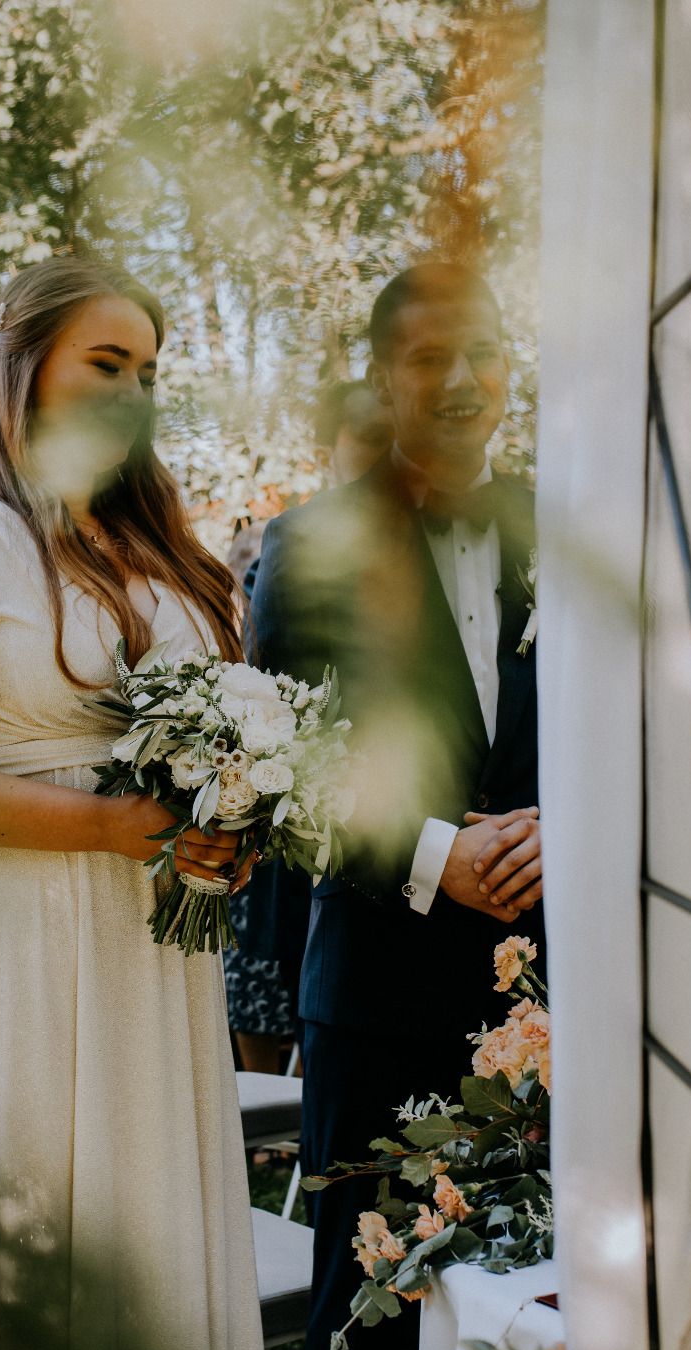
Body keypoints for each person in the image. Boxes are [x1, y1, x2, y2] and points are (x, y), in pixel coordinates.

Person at [0, 257, 264, 1350]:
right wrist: (112, 827)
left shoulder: (165, 555)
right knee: (34, 1217)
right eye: (103, 363)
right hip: (8, 940)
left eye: (148, 372)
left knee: (149, 1215)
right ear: (22, 369)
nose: (130, 392)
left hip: (152, 949)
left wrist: (231, 821)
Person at [248, 263, 545, 1350]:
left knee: (528, 1299)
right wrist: (437, 852)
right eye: (428, 358)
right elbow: (284, 774)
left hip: (548, 999)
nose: (462, 379)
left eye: (483, 352)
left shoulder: (569, 532)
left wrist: (560, 825)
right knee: (367, 1317)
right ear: (383, 377)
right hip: (379, 1000)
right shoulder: (308, 546)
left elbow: (625, 725)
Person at [224, 379, 396, 1077]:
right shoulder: (289, 550)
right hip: (306, 812)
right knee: (277, 981)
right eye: (371, 442)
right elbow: (267, 692)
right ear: (332, 451)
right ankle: (271, 1112)